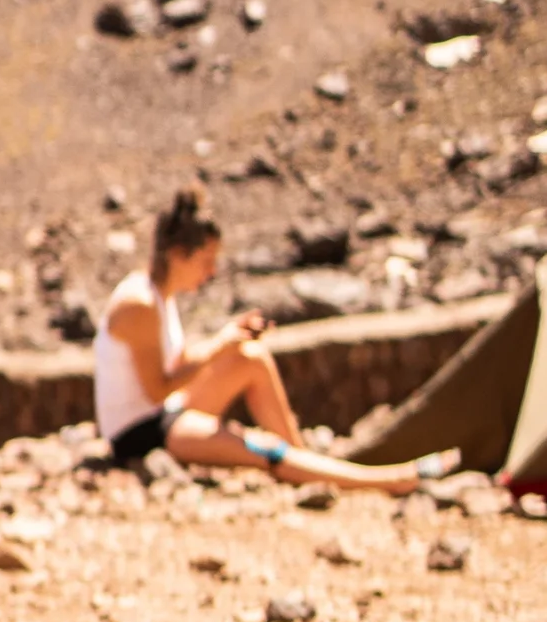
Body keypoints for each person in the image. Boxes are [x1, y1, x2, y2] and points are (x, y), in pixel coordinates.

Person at [94, 191, 457, 492]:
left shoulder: (160, 295)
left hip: (167, 413)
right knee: (263, 449)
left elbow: (177, 361)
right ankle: (385, 480)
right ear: (177, 255)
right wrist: (220, 346)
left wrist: (230, 341)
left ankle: (305, 463)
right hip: (143, 434)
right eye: (205, 261)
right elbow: (157, 389)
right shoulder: (139, 304)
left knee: (252, 357)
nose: (211, 272)